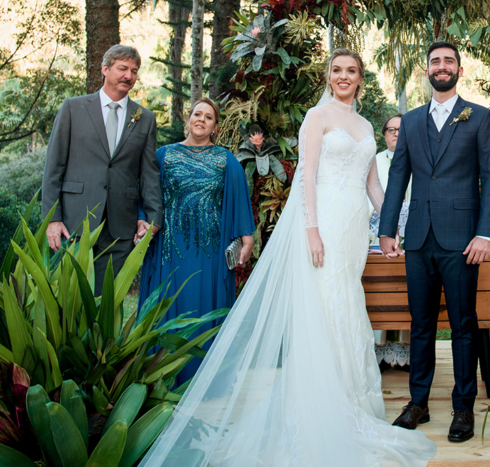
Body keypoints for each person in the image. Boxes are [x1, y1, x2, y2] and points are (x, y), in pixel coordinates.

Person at [138, 48, 436, 467]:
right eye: (337, 70)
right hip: (325, 225)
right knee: (324, 309)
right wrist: (311, 230)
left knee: (346, 306)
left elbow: (373, 186)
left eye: (351, 71)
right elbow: (307, 177)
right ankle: (316, 409)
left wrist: (390, 230)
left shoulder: (367, 124)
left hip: (353, 233)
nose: (344, 76)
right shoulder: (318, 117)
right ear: (329, 77)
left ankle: (350, 403)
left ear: (361, 78)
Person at [379, 41, 490, 444]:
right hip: (418, 239)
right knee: (421, 325)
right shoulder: (411, 122)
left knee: (464, 325)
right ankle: (418, 402)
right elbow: (398, 176)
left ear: (459, 70)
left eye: (449, 60)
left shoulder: (481, 118)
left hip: (464, 239)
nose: (442, 66)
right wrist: (386, 230)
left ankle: (463, 408)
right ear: (427, 70)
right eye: (436, 61)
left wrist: (485, 233)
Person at [137, 97, 255, 386]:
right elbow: (146, 196)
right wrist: (142, 223)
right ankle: (161, 377)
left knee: (205, 305)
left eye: (209, 117)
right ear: (188, 119)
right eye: (197, 114)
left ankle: (205, 382)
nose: (201, 119)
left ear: (215, 126)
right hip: (170, 248)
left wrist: (247, 239)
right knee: (169, 303)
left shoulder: (226, 160)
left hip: (210, 250)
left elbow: (239, 201)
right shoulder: (163, 156)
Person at [42, 45, 162, 295]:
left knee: (108, 301)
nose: (128, 75)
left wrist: (153, 219)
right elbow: (53, 167)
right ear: (105, 69)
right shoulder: (73, 108)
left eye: (134, 71)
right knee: (70, 298)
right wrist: (52, 219)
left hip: (121, 225)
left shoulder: (145, 118)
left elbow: (149, 173)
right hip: (75, 221)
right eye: (123, 68)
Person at [369, 114, 412, 369]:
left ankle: (406, 355)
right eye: (391, 129)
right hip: (380, 236)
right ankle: (380, 354)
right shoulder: (374, 161)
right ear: (384, 134)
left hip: (412, 238)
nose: (396, 133)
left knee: (407, 295)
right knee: (382, 291)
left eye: (401, 129)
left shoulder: (420, 157)